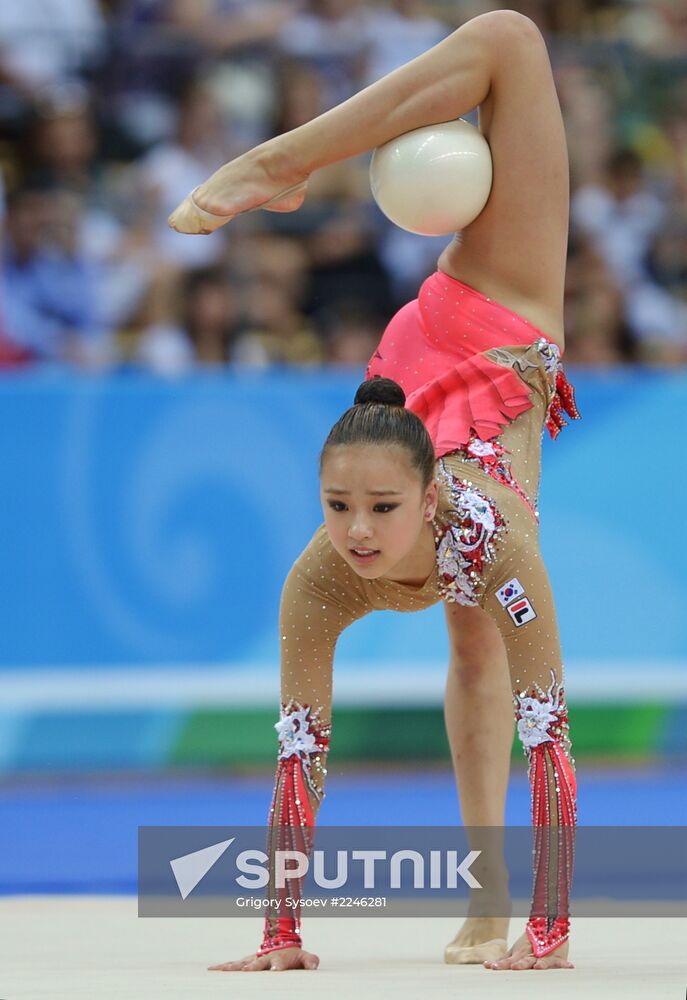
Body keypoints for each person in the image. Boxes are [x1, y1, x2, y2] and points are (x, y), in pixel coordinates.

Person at [169, 9, 580, 972]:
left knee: (511, 38)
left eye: (378, 512)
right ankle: (485, 905)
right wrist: (278, 937)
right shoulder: (323, 575)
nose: (353, 536)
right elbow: (298, 752)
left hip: (464, 347)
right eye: (337, 510)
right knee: (510, 43)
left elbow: (549, 734)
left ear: (426, 500)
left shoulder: (481, 535)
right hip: (465, 352)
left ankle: (283, 160)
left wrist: (549, 934)